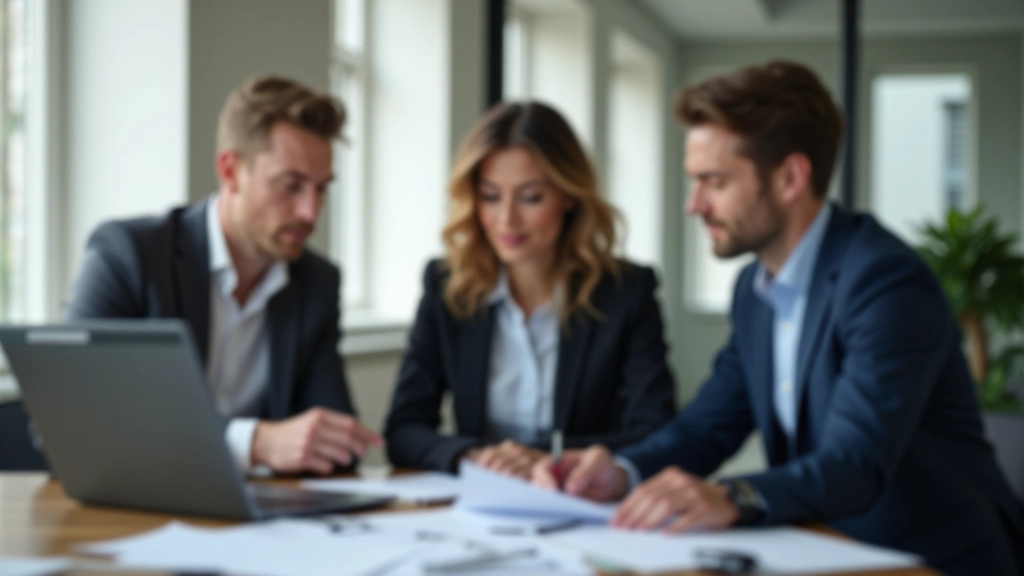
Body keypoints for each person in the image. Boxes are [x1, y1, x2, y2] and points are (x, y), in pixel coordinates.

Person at [532, 61, 1024, 575]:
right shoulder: (755, 288)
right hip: (830, 548)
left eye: (713, 182)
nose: (694, 205)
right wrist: (623, 472)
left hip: (933, 561)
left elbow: (854, 464)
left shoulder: (885, 283)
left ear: (790, 177)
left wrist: (731, 496)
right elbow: (708, 425)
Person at [65, 75, 382, 476]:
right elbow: (74, 423)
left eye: (321, 189)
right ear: (231, 171)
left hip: (262, 521)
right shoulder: (130, 255)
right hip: (138, 509)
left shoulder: (316, 283)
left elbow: (336, 441)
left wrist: (318, 442)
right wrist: (255, 443)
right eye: (291, 185)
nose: (310, 212)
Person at [384, 102, 676, 477]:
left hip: (584, 502)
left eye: (530, 197)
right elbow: (404, 430)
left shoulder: (626, 292)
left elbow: (657, 431)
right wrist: (472, 457)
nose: (507, 219)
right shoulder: (446, 287)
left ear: (569, 195)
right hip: (479, 500)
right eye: (490, 196)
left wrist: (540, 458)